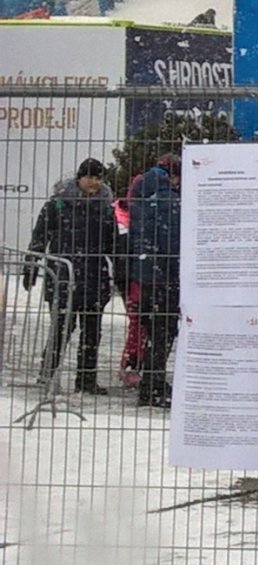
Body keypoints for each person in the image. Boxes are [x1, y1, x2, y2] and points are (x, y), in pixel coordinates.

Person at [24, 156, 122, 395]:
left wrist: (121, 273)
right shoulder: (57, 205)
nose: (94, 183)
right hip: (63, 278)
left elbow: (114, 246)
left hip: (94, 279)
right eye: (89, 177)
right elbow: (39, 239)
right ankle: (47, 374)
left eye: (98, 178)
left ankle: (86, 380)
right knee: (61, 329)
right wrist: (31, 268)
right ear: (79, 178)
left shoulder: (106, 208)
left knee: (92, 332)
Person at [125, 149, 183, 409]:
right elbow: (173, 244)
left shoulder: (144, 197)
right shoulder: (171, 202)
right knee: (164, 333)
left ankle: (151, 382)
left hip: (146, 277)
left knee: (154, 331)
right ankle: (153, 384)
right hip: (165, 277)